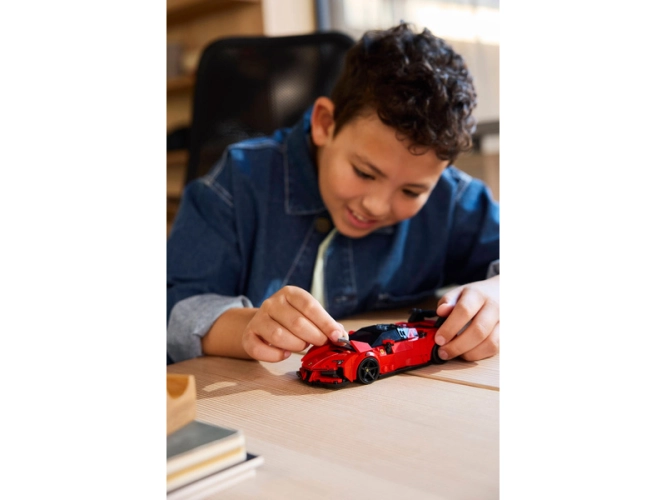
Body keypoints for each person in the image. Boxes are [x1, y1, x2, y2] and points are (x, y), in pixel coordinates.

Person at [167, 22, 499, 366]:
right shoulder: (236, 183)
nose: (376, 205)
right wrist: (248, 327)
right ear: (325, 124)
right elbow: (175, 310)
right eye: (364, 172)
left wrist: (498, 295)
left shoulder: (452, 198)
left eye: (412, 190)